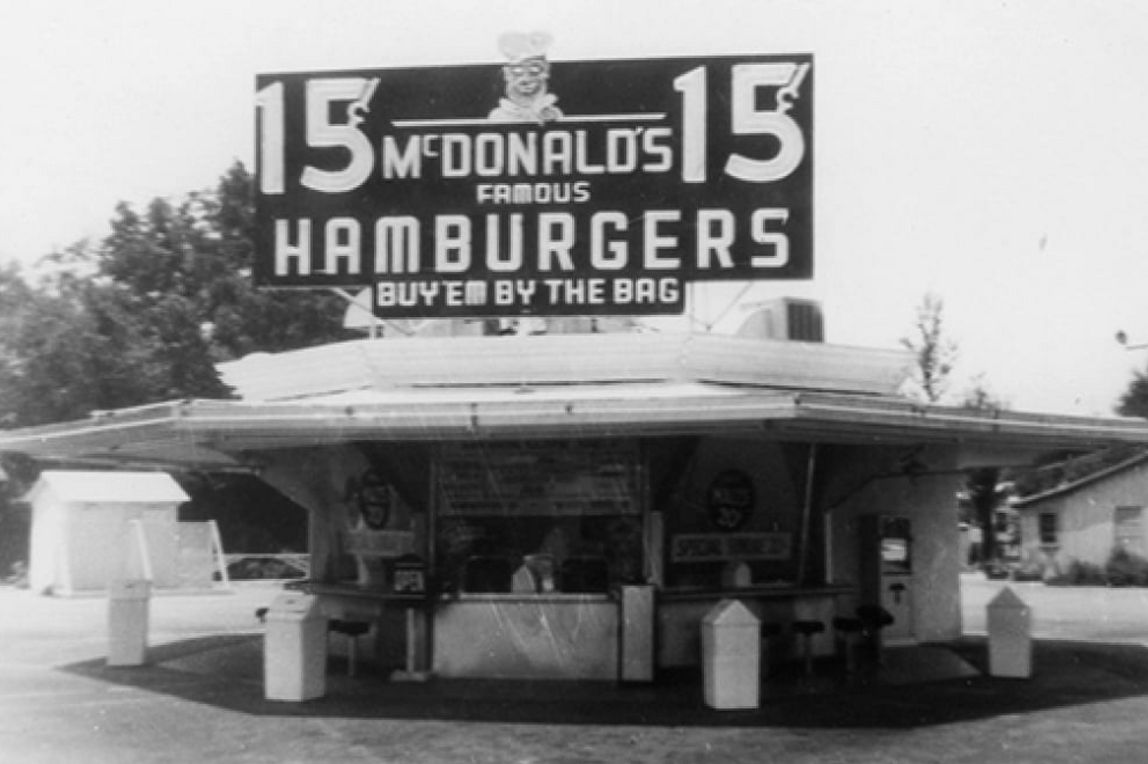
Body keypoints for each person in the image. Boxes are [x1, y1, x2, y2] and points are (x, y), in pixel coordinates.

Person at [489, 31, 563, 124]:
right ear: (507, 74)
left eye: (534, 69)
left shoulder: (554, 114)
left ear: (545, 71)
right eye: (518, 70)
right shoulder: (498, 116)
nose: (526, 79)